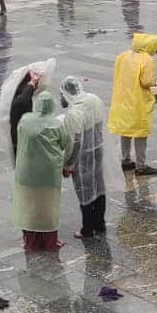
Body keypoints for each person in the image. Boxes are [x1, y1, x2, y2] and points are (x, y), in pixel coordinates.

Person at [14, 91, 69, 251]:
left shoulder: (25, 120)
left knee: (29, 205)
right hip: (48, 173)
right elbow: (64, 142)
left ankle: (31, 241)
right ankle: (49, 241)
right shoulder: (56, 124)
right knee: (48, 206)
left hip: (26, 170)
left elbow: (19, 136)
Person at [59, 76, 108, 239]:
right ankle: (100, 224)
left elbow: (76, 142)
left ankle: (87, 229)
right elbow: (100, 125)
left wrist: (68, 165)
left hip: (83, 156)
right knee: (99, 186)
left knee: (84, 190)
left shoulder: (74, 112)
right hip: (97, 149)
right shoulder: (94, 99)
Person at [108, 34, 157, 177]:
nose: (155, 53)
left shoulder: (122, 56)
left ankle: (126, 160)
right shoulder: (147, 59)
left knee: (125, 130)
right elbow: (146, 82)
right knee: (140, 132)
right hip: (137, 100)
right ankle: (141, 166)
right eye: (156, 50)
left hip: (121, 98)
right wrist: (154, 82)